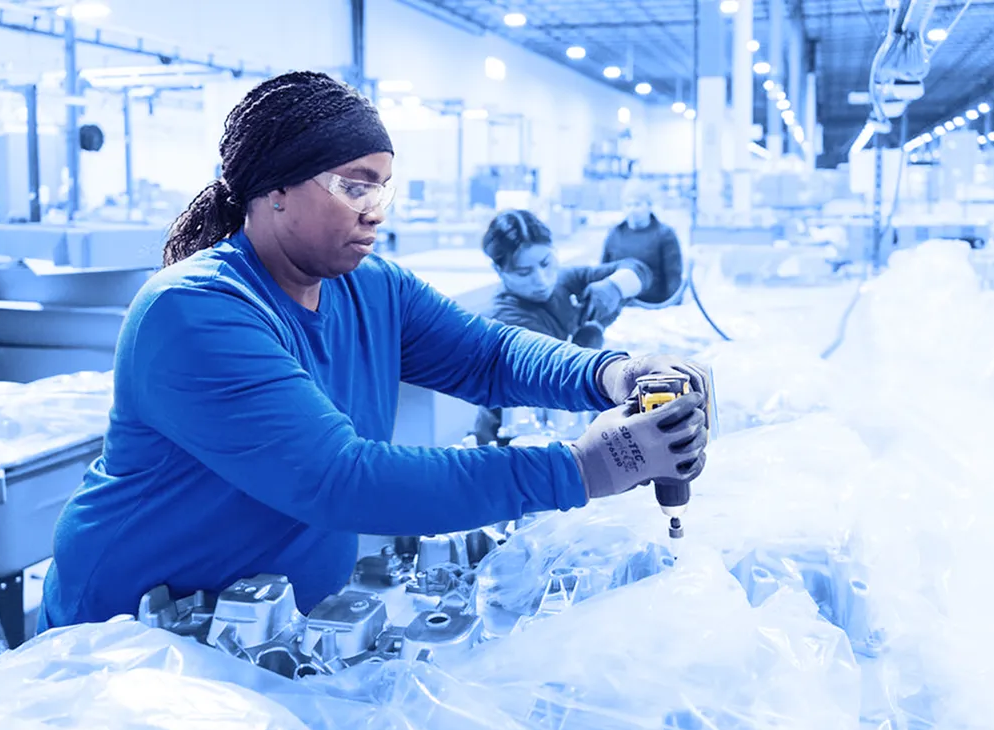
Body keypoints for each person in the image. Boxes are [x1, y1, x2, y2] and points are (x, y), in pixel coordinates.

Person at [38, 71, 710, 630]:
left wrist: (611, 372)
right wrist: (582, 469)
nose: (375, 210)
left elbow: (489, 356)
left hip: (267, 622)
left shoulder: (368, 287)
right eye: (353, 186)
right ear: (272, 190)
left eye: (381, 187)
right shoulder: (195, 312)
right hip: (133, 637)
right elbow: (338, 478)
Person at [472, 209, 653, 444]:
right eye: (524, 272)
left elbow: (640, 269)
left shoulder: (563, 281)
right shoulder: (503, 317)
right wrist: (589, 339)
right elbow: (558, 377)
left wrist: (615, 286)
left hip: (566, 425)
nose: (541, 279)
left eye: (546, 263)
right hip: (516, 439)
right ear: (499, 271)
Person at [601, 180, 684, 306]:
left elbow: (673, 277)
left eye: (637, 204)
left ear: (649, 206)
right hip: (620, 306)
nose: (632, 210)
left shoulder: (665, 235)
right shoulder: (615, 234)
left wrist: (672, 307)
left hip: (654, 307)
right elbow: (602, 271)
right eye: (628, 205)